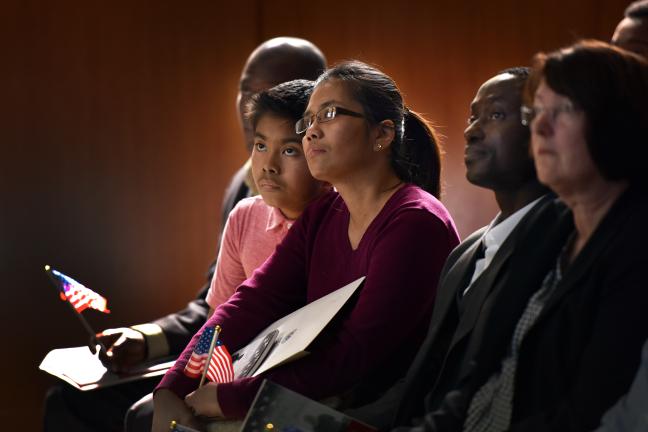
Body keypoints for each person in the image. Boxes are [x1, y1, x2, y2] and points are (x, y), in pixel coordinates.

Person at [151, 61, 460, 431]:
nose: (311, 131)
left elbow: (355, 356)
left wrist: (232, 397)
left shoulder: (415, 221)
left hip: (384, 409)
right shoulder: (325, 212)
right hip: (327, 394)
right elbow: (253, 299)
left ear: (383, 133)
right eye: (308, 120)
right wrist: (174, 384)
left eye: (328, 114)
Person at [43, 37, 326, 432]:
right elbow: (218, 307)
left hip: (286, 375)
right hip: (224, 361)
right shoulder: (242, 196)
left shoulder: (336, 208)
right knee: (73, 401)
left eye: (278, 91)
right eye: (247, 90)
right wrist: (148, 340)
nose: (254, 106)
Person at [399, 40, 648, 432]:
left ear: (618, 121)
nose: (540, 127)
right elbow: (474, 382)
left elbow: (590, 408)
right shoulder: (543, 224)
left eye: (562, 111)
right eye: (537, 112)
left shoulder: (636, 242)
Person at [347, 68, 572, 430]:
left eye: (496, 115)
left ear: (545, 129)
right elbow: (426, 379)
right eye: (472, 116)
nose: (471, 130)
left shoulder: (564, 245)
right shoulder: (465, 252)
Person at [205, 79, 329, 310]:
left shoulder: (347, 217)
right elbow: (217, 319)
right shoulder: (244, 217)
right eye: (261, 146)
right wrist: (205, 348)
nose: (269, 166)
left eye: (289, 151)